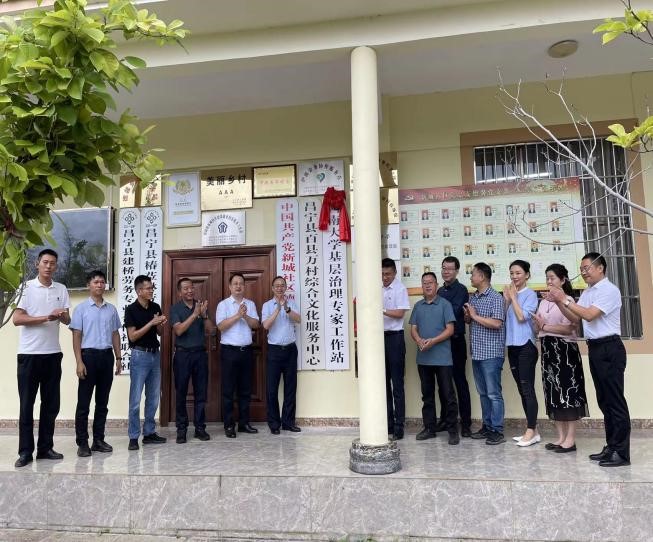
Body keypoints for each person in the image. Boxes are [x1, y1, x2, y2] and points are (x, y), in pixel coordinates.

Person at [548, 253, 631, 467]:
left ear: (600, 268)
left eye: (587, 268)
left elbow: (590, 315)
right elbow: (576, 318)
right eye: (581, 269)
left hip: (609, 347)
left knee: (614, 401)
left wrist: (564, 298)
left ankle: (621, 453)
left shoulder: (609, 290)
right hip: (595, 348)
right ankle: (611, 446)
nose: (583, 272)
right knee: (604, 400)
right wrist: (559, 302)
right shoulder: (588, 291)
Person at [13, 249, 70, 468]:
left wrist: (62, 316)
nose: (48, 266)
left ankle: (45, 448)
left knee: (51, 405)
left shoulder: (61, 289)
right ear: (37, 264)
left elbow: (67, 320)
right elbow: (17, 319)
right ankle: (25, 452)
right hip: (29, 355)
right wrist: (46, 317)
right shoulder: (26, 288)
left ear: (56, 266)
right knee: (26, 405)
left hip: (53, 354)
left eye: (52, 263)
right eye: (45, 262)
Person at [532, 264, 588, 453]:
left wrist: (545, 327)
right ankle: (561, 437)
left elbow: (571, 327)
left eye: (553, 278)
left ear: (563, 280)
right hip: (548, 350)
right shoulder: (543, 301)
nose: (549, 281)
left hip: (564, 351)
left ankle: (570, 440)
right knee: (553, 393)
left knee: (568, 393)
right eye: (547, 278)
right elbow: (538, 327)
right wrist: (539, 326)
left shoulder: (568, 300)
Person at [70, 270, 122, 457]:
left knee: (102, 402)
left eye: (102, 282)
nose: (99, 285)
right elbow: (77, 336)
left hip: (106, 357)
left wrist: (118, 358)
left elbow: (115, 334)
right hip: (88, 357)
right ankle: (82, 442)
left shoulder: (111, 309)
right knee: (84, 403)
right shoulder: (81, 309)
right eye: (96, 282)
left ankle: (98, 440)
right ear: (88, 285)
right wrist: (79, 361)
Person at [409, 272, 459, 445]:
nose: (428, 285)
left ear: (436, 285)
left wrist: (433, 341)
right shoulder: (418, 306)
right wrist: (419, 340)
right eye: (424, 283)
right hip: (424, 359)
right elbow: (413, 329)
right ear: (421, 286)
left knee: (448, 395)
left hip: (443, 359)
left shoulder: (445, 304)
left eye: (431, 282)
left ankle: (453, 430)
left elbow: (450, 330)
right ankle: (429, 428)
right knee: (427, 396)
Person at [464, 262, 506, 445]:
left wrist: (474, 316)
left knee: (493, 394)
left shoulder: (496, 297)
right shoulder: (473, 297)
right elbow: (471, 321)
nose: (471, 277)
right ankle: (487, 426)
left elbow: (497, 323)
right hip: (477, 352)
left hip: (491, 353)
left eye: (473, 274)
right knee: (483, 393)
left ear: (482, 277)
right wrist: (468, 317)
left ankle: (497, 430)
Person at [125, 275, 168, 450]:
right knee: (135, 399)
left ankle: (149, 433)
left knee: (153, 397)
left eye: (152, 288)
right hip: (139, 355)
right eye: (148, 288)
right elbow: (132, 336)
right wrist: (151, 322)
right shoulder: (131, 310)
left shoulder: (155, 307)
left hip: (154, 355)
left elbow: (159, 333)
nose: (151, 290)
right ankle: (133, 437)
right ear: (139, 291)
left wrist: (160, 324)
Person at [216, 273, 260, 438]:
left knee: (245, 390)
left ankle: (244, 423)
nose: (238, 286)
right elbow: (221, 326)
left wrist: (245, 315)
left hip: (246, 351)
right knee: (228, 390)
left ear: (244, 286)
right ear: (230, 286)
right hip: (229, 352)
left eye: (241, 283)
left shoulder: (250, 304)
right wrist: (237, 316)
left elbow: (256, 324)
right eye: (235, 283)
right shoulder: (223, 305)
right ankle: (229, 425)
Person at [170, 278, 211, 444]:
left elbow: (211, 330)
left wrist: (204, 315)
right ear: (179, 292)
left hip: (200, 355)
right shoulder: (175, 308)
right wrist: (195, 315)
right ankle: (181, 429)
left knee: (201, 393)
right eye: (186, 288)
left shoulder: (200, 306)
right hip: (182, 355)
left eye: (192, 288)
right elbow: (179, 330)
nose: (190, 291)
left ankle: (200, 428)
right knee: (181, 393)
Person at [503, 260, 540, 447]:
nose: (514, 276)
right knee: (521, 389)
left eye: (518, 273)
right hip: (512, 346)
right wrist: (507, 300)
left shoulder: (530, 295)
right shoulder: (512, 295)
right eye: (512, 273)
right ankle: (533, 430)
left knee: (527, 389)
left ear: (527, 275)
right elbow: (502, 317)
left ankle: (531, 430)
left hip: (526, 346)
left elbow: (521, 317)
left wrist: (514, 298)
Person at [262, 276, 301, 434]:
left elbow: (298, 319)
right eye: (277, 286)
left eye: (282, 285)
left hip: (290, 350)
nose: (280, 288)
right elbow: (266, 325)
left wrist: (287, 309)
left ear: (286, 288)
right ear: (272, 288)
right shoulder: (267, 305)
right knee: (272, 389)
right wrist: (278, 309)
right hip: (274, 351)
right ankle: (274, 424)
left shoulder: (291, 303)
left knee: (290, 388)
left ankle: (288, 422)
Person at [438, 257, 472, 437]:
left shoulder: (461, 290)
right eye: (444, 268)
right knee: (443, 383)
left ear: (457, 271)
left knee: (460, 382)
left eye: (450, 269)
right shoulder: (439, 290)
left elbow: (453, 310)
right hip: (441, 343)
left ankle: (465, 424)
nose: (446, 272)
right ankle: (446, 420)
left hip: (456, 341)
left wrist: (437, 311)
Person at [381, 259, 410, 441]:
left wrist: (381, 309)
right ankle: (388, 423)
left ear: (395, 273)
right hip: (379, 339)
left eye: (388, 274)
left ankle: (399, 425)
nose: (385, 277)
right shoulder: (376, 287)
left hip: (395, 338)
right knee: (383, 384)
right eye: (382, 274)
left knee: (397, 384)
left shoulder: (400, 289)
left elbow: (400, 313)